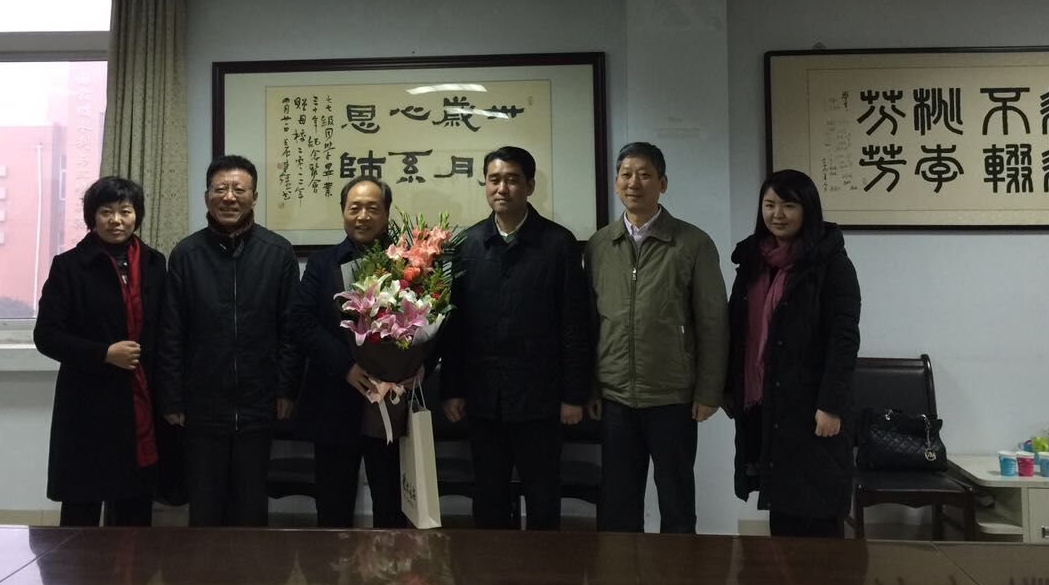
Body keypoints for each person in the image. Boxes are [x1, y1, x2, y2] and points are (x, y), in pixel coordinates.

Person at [441, 146, 589, 530]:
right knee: (488, 497)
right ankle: (491, 569)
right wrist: (452, 389)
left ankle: (543, 568)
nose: (502, 188)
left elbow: (575, 324)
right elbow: (454, 327)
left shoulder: (558, 244)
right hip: (484, 397)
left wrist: (573, 395)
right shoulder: (468, 244)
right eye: (494, 180)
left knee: (543, 497)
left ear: (530, 186)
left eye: (512, 180)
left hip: (540, 397)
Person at [585, 141, 728, 533]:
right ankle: (620, 572)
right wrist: (591, 386)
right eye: (626, 174)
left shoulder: (693, 243)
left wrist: (709, 391)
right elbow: (591, 323)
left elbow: (713, 321)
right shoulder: (600, 245)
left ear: (662, 183)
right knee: (618, 502)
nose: (635, 183)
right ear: (616, 183)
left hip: (672, 397)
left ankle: (679, 572)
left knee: (676, 500)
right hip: (615, 397)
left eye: (645, 174)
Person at [159, 154, 300, 527]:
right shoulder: (186, 255)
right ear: (206, 196)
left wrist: (286, 388)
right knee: (205, 508)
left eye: (239, 189)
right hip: (202, 405)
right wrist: (172, 397)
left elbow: (291, 329)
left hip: (259, 402)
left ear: (255, 197)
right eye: (220, 189)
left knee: (250, 507)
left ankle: (251, 567)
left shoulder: (278, 252)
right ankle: (204, 568)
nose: (229, 197)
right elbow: (172, 332)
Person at [725, 169, 861, 538]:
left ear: (808, 210)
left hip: (814, 406)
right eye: (769, 205)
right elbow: (737, 330)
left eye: (789, 205)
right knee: (782, 504)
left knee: (817, 509)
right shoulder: (753, 262)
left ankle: (822, 579)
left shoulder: (832, 265)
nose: (777, 214)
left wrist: (831, 404)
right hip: (769, 404)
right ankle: (782, 578)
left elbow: (844, 339)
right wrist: (729, 388)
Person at [34, 176, 166, 527]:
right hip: (87, 404)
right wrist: (104, 353)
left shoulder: (154, 263)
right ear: (92, 217)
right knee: (82, 513)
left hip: (140, 403)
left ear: (137, 215)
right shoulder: (69, 266)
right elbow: (46, 336)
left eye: (125, 211)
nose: (116, 220)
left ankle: (132, 565)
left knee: (134, 511)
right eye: (106, 211)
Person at [288, 175, 411, 528]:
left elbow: (426, 324)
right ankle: (333, 566)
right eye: (354, 207)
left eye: (373, 208)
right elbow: (301, 321)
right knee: (333, 505)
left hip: (389, 402)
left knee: (391, 505)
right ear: (343, 211)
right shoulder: (322, 263)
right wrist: (346, 367)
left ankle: (389, 565)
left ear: (387, 213)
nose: (363, 216)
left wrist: (412, 368)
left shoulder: (406, 265)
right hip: (334, 399)